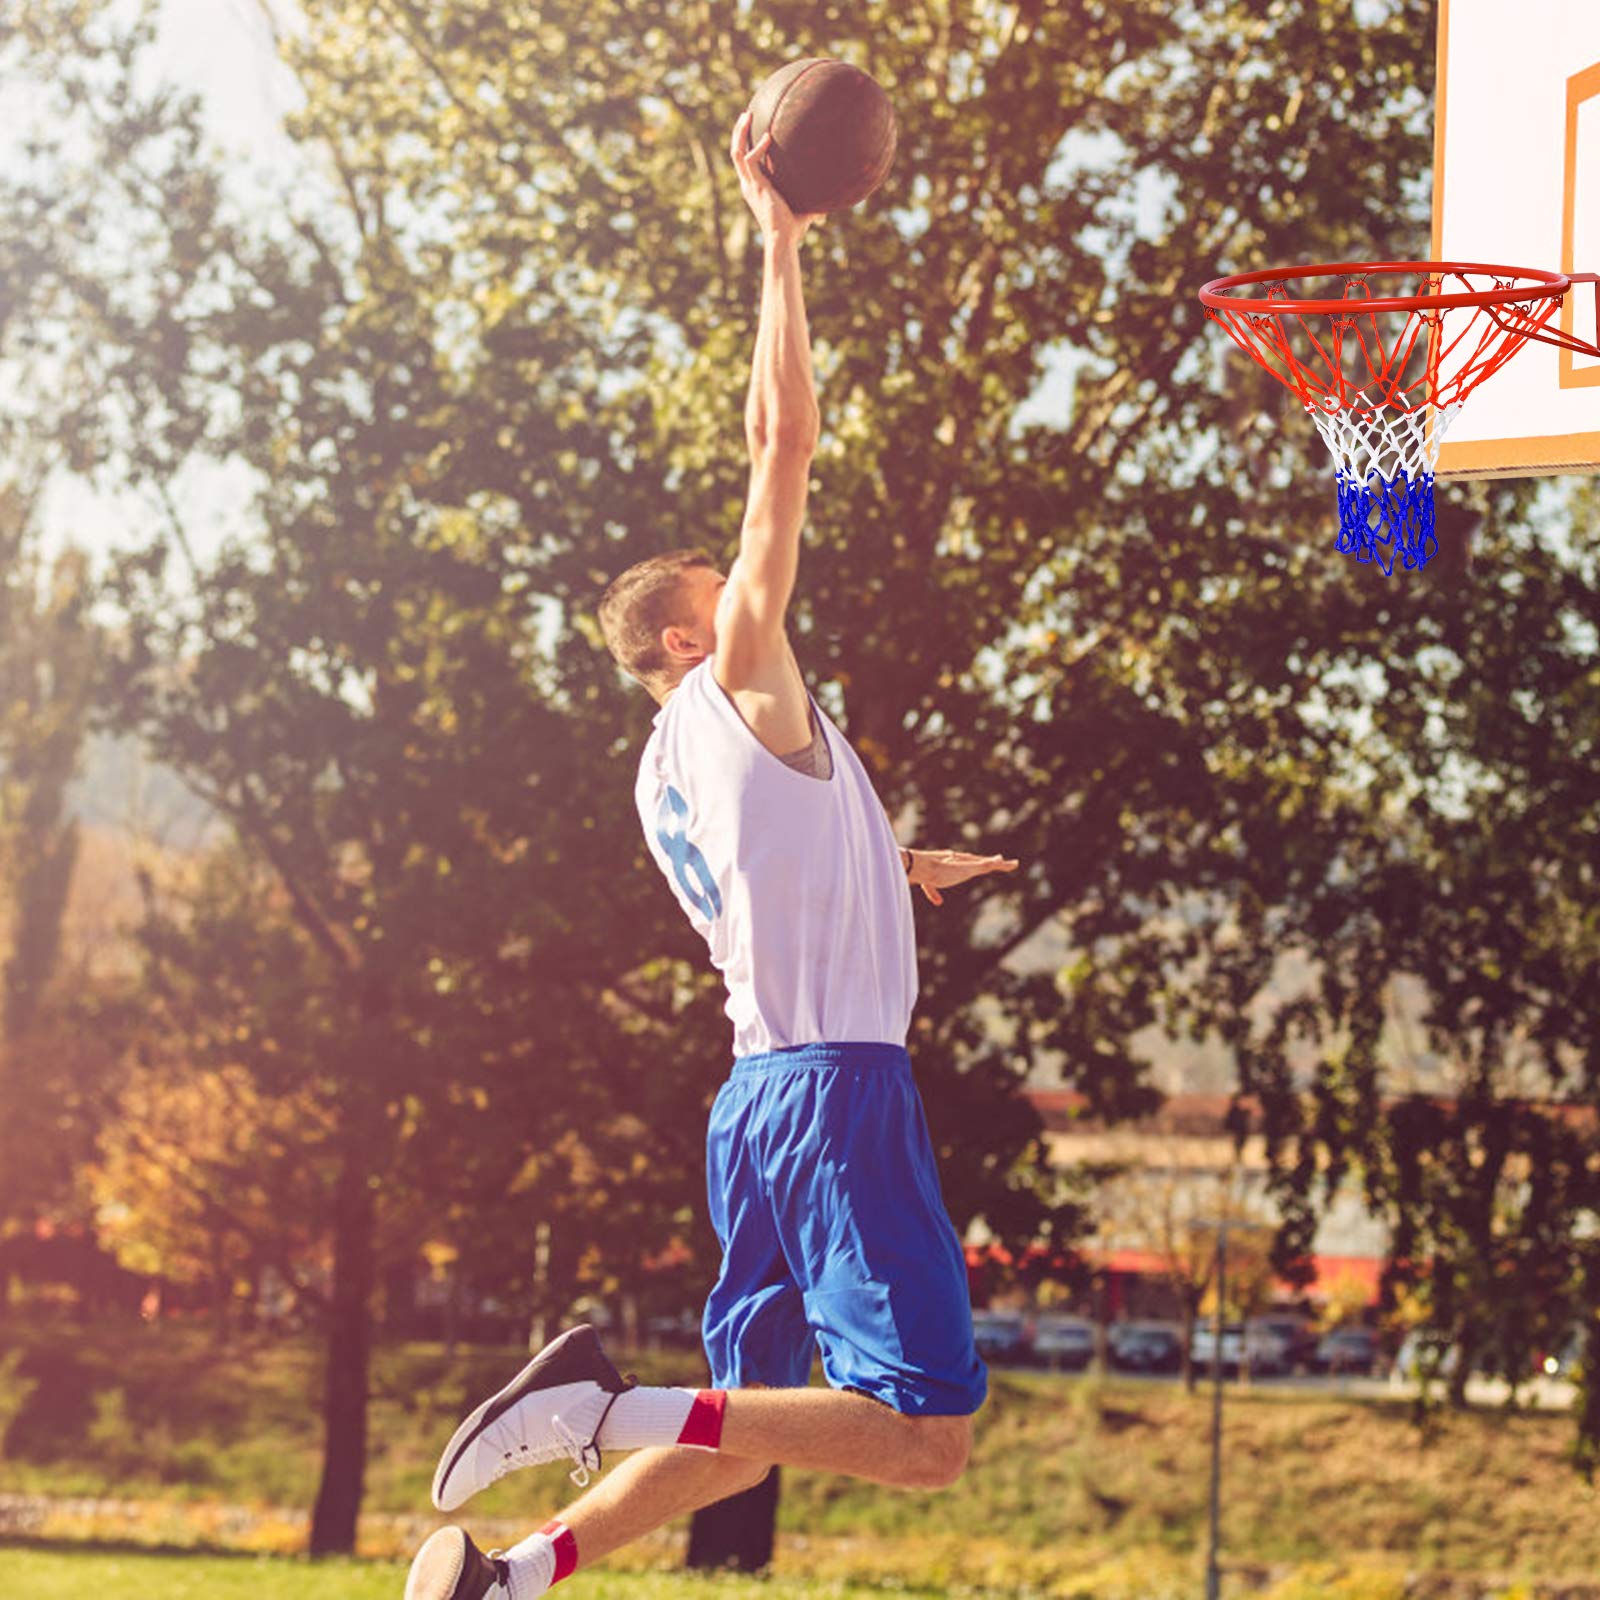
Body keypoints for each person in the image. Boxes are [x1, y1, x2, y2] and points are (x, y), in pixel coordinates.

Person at [405, 108, 1017, 1600]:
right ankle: (595, 1409)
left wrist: (898, 856)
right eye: (721, 580)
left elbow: (782, 869)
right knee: (927, 1432)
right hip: (839, 1090)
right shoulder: (738, 671)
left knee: (742, 1433)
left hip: (758, 1101)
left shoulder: (663, 773)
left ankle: (515, 1574)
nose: (748, 580)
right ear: (693, 633)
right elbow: (781, 440)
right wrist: (779, 242)